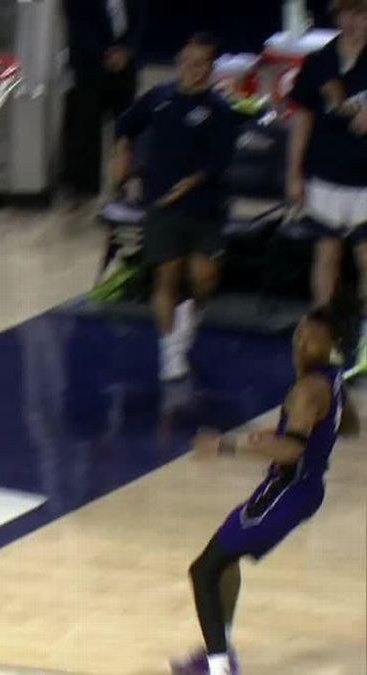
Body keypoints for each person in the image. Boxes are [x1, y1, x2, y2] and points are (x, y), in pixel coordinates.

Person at [176, 308, 359, 675]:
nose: (301, 342)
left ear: (332, 344)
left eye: (311, 337)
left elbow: (292, 451)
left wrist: (229, 446)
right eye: (299, 334)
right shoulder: (332, 378)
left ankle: (218, 668)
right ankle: (221, 650)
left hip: (287, 490)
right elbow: (350, 424)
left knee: (204, 571)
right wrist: (304, 434)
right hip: (298, 488)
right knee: (225, 561)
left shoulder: (307, 389)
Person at [112, 33, 237, 381]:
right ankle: (170, 352)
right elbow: (126, 123)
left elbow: (220, 161)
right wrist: (122, 150)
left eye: (201, 65)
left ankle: (189, 316)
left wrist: (189, 184)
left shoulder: (220, 110)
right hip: (163, 208)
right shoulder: (159, 98)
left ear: (211, 69)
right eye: (187, 63)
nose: (192, 71)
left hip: (205, 208)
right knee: (166, 276)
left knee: (203, 278)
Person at [286, 0, 367, 375]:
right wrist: (294, 174)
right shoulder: (319, 61)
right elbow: (301, 121)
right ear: (338, 17)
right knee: (327, 256)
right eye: (350, 14)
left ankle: (365, 341)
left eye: (364, 14)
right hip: (325, 177)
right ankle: (326, 337)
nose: (357, 22)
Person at [62, 0, 148, 205]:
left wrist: (126, 51)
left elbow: (138, 23)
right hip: (89, 69)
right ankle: (84, 189)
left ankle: (123, 183)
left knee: (126, 129)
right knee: (86, 129)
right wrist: (107, 54)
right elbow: (79, 27)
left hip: (125, 71)